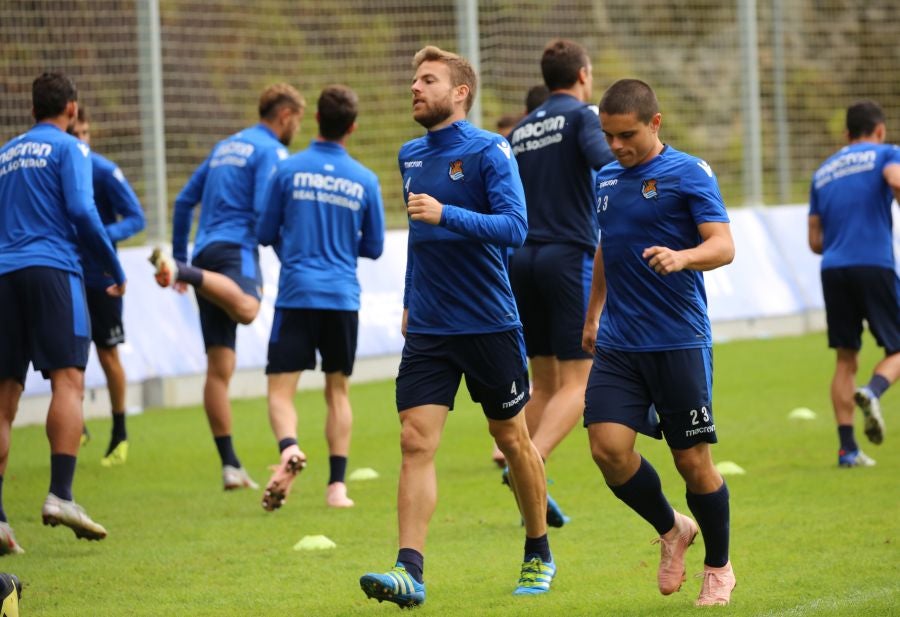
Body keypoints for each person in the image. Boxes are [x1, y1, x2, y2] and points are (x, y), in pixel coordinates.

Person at [359, 46, 555, 608]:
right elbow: (419, 240)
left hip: (489, 323)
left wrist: (448, 214)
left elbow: (515, 228)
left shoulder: (491, 149)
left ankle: (538, 549)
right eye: (414, 80)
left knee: (511, 438)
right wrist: (407, 299)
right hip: (429, 327)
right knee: (414, 441)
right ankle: (410, 572)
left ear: (460, 92)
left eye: (428, 80)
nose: (415, 88)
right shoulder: (409, 155)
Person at [583, 79, 736, 606]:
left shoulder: (688, 173)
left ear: (655, 123)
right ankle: (673, 528)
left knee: (693, 464)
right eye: (608, 136)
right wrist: (595, 310)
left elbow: (723, 245)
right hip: (621, 341)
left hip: (678, 340)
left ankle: (718, 566)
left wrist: (682, 256)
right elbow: (609, 244)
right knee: (607, 449)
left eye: (626, 134)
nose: (617, 146)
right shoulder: (604, 177)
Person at [150, 83, 305, 490]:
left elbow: (184, 201)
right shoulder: (271, 150)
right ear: (286, 116)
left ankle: (230, 465)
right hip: (234, 252)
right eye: (297, 121)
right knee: (250, 308)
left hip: (204, 253)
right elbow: (262, 211)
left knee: (220, 368)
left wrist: (182, 257)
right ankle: (184, 272)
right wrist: (289, 253)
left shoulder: (225, 147)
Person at [0, 73, 127, 551]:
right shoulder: (69, 148)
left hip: (3, 274)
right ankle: (61, 494)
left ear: (33, 108)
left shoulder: (5, 155)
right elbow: (81, 210)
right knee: (68, 380)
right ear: (71, 109)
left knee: (4, 397)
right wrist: (111, 265)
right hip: (53, 270)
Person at [256, 85, 385, 510]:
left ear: (316, 121)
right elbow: (375, 247)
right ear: (353, 127)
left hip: (296, 292)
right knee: (338, 391)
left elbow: (264, 232)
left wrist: (296, 248)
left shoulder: (288, 170)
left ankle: (290, 447)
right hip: (342, 297)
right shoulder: (365, 179)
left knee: (281, 390)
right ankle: (337, 488)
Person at [505, 39, 613, 524]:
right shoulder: (582, 116)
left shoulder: (523, 128)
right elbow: (605, 162)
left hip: (522, 258)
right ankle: (533, 461)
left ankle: (522, 470)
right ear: (583, 74)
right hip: (567, 256)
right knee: (580, 379)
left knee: (544, 384)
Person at [808, 100, 900, 467]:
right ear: (879, 130)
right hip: (873, 264)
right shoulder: (884, 153)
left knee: (846, 358)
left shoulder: (823, 171)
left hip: (833, 267)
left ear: (846, 135)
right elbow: (895, 179)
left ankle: (847, 449)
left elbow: (814, 241)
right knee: (897, 349)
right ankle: (873, 390)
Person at [71, 106, 146, 466]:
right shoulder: (55, 171)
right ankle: (75, 423)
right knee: (68, 358)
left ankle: (120, 434)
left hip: (102, 278)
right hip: (64, 275)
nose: (79, 140)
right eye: (73, 134)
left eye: (84, 133)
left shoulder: (102, 171)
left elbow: (136, 217)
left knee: (108, 354)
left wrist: (100, 236)